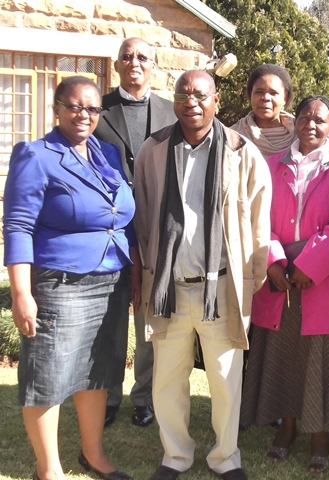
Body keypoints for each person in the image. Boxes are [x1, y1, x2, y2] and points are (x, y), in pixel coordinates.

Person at [133, 70, 271, 480]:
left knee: (226, 382)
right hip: (168, 289)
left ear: (216, 99)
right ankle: (175, 456)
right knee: (166, 382)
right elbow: (141, 217)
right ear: (173, 100)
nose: (190, 101)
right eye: (182, 93)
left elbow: (261, 221)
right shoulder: (153, 150)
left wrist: (251, 278)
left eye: (200, 94)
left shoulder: (242, 151)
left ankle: (225, 458)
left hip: (223, 288)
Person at [4, 75, 139, 480]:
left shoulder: (107, 154)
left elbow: (123, 216)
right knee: (48, 375)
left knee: (97, 370)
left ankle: (93, 454)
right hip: (61, 282)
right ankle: (48, 469)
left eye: (92, 108)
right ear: (57, 108)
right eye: (75, 106)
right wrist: (21, 292)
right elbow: (18, 226)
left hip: (110, 279)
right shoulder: (36, 155)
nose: (84, 115)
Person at [240, 95, 329, 473]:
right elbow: (258, 219)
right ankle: (287, 427)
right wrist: (275, 261)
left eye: (321, 119)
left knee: (319, 360)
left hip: (322, 282)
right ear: (296, 121)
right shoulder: (271, 166)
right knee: (284, 355)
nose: (311, 123)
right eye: (306, 116)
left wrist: (308, 266)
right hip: (278, 281)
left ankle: (320, 435)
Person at [94, 36, 177, 429]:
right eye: (127, 56)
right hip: (108, 234)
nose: (135, 62)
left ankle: (143, 397)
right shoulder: (98, 109)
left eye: (143, 56)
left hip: (156, 233)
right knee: (110, 322)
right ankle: (107, 396)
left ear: (153, 64)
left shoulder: (170, 111)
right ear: (117, 64)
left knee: (148, 323)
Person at [229, 63, 295, 159]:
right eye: (259, 92)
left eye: (273, 93)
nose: (266, 98)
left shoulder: (302, 135)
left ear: (285, 98)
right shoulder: (233, 137)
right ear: (250, 95)